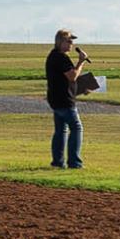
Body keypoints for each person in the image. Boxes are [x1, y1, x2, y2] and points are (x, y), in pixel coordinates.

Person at [46, 29, 87, 169]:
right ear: (60, 42)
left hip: (56, 99)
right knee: (76, 128)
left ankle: (58, 162)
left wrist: (81, 88)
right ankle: (75, 163)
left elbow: (64, 79)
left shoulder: (53, 56)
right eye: (68, 41)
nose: (71, 44)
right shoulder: (61, 57)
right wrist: (81, 61)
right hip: (64, 100)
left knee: (61, 131)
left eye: (72, 41)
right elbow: (72, 76)